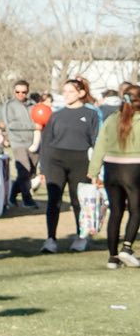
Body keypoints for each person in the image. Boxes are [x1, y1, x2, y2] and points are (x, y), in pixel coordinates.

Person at [37, 78, 99, 254]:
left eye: (70, 91)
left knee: (77, 200)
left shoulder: (91, 114)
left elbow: (96, 142)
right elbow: (47, 142)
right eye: (64, 91)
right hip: (56, 160)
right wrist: (42, 168)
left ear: (81, 93)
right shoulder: (56, 115)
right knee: (53, 200)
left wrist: (96, 169)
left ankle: (81, 236)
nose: (66, 95)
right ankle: (50, 239)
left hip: (80, 161)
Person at [92, 85, 140, 269]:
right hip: (134, 169)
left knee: (116, 212)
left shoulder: (111, 119)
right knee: (136, 210)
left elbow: (100, 145)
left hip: (111, 169)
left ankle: (112, 258)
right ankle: (126, 248)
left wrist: (94, 170)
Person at [0, 80, 38, 209]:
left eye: (24, 92)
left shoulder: (33, 105)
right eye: (18, 92)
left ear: (28, 91)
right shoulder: (9, 105)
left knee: (31, 172)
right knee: (24, 169)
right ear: (14, 91)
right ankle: (27, 200)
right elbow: (11, 125)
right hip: (18, 142)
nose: (21, 94)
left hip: (33, 142)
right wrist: (32, 126)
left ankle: (12, 195)